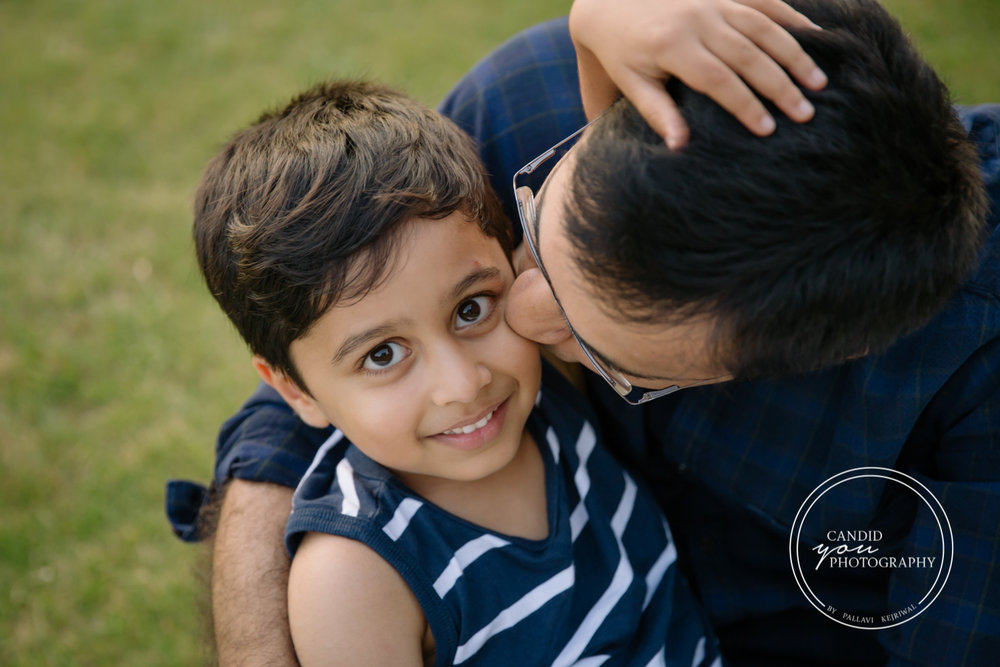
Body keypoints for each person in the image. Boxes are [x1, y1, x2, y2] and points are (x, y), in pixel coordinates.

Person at [165, 0, 1000, 665]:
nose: (516, 324)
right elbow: (304, 384)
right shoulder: (537, 99)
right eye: (528, 224)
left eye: (595, 351)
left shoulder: (968, 399)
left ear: (807, 356)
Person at [191, 78, 722, 666]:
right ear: (295, 390)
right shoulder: (356, 578)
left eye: (471, 309)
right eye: (383, 355)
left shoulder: (548, 388)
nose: (465, 384)